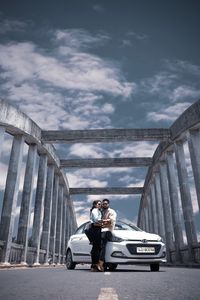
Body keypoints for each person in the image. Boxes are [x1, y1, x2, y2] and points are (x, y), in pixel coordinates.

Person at [98, 198, 117, 271]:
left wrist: (100, 223)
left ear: (108, 204)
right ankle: (98, 263)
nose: (104, 205)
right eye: (103, 204)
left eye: (106, 203)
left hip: (107, 231)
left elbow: (110, 222)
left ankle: (102, 263)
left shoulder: (112, 211)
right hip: (100, 231)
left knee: (102, 245)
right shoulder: (100, 211)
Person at [87, 200, 103, 272]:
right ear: (95, 205)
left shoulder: (96, 210)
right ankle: (95, 264)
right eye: (99, 204)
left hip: (95, 228)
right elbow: (96, 220)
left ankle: (94, 265)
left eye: (100, 204)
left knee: (96, 247)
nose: (100, 205)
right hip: (95, 228)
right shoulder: (95, 210)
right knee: (96, 247)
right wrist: (104, 221)